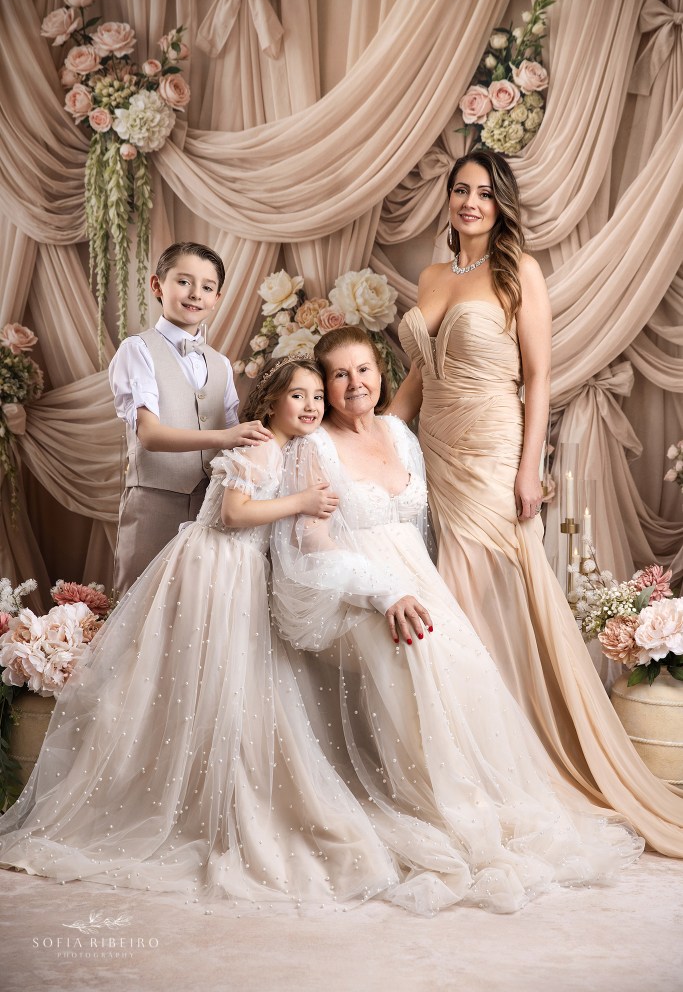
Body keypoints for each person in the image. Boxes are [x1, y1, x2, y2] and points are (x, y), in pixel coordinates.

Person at [270, 325, 649, 917]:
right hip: (355, 591)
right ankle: (440, 810)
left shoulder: (400, 432)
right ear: (323, 384)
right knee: (415, 654)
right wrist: (380, 591)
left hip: (416, 582)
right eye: (338, 375)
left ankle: (480, 801)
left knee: (464, 660)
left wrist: (424, 587)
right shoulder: (312, 446)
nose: (353, 385)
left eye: (363, 370)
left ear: (380, 374)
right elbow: (308, 545)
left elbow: (416, 528)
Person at [0, 357, 398, 907]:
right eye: (297, 396)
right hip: (215, 568)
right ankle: (180, 800)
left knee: (231, 683)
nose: (310, 406)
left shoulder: (292, 452)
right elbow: (233, 514)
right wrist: (302, 502)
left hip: (237, 572)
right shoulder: (258, 445)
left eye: (315, 397)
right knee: (203, 678)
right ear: (271, 404)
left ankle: (219, 792)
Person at [390, 149, 683, 854]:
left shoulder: (517, 273)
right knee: (449, 598)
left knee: (467, 599)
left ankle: (485, 761)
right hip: (431, 450)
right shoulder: (433, 274)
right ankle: (463, 756)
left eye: (483, 194)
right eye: (460, 191)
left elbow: (538, 376)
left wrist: (530, 469)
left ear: (500, 207)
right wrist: (367, 443)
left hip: (490, 451)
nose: (468, 203)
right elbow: (413, 383)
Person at [109, 241, 271, 595]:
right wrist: (225, 438)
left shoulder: (220, 363)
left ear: (217, 298)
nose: (195, 294)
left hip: (209, 507)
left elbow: (234, 436)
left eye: (207, 287)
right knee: (138, 610)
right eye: (184, 282)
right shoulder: (137, 350)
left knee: (197, 612)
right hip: (153, 503)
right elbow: (150, 435)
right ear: (157, 286)